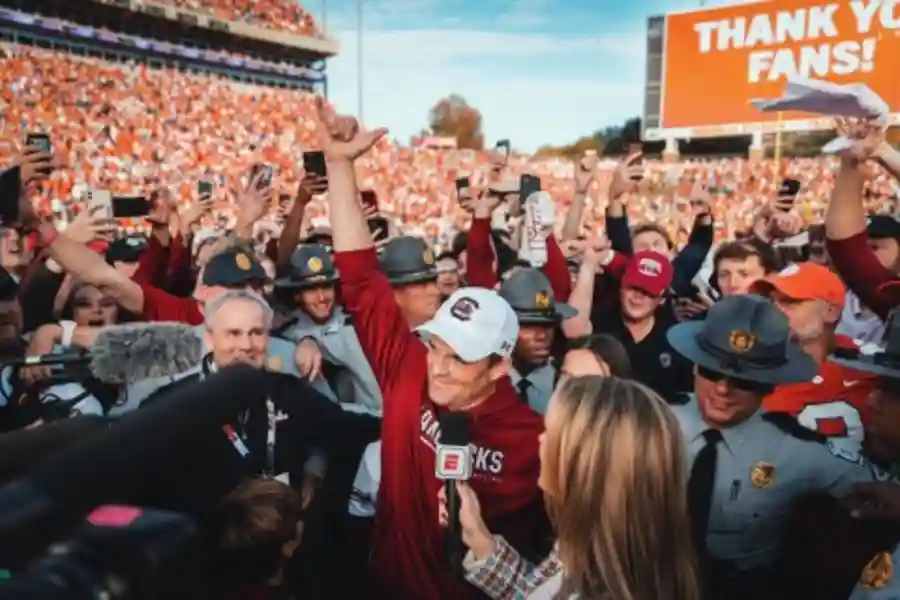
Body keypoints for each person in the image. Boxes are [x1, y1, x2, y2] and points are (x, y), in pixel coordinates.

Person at [321, 103, 548, 600]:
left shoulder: (537, 443)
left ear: (500, 365)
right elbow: (360, 276)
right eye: (436, 347)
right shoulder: (406, 368)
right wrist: (340, 166)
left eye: (460, 357)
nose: (438, 369)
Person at [666, 294, 876, 600]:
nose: (723, 389)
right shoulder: (653, 422)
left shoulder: (800, 449)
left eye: (743, 381)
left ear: (769, 385)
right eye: (712, 372)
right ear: (695, 368)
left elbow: (880, 490)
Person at [441, 376, 701, 600]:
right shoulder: (591, 551)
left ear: (585, 466)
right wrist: (479, 537)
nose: (540, 439)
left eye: (552, 434)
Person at [752, 262, 877, 455]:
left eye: (790, 301)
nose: (773, 311)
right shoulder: (745, 369)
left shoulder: (874, 367)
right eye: (771, 301)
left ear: (830, 311)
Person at [276, 244, 382, 412]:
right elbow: (290, 333)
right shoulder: (292, 330)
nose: (321, 297)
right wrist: (307, 340)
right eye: (311, 290)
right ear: (297, 295)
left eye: (326, 287)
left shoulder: (356, 315)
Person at [498, 268, 577, 414]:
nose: (541, 336)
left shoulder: (569, 387)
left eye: (548, 325)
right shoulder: (484, 386)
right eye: (528, 326)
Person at [378, 235, 441, 328]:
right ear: (396, 294)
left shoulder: (448, 335)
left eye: (434, 282)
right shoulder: (371, 339)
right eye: (423, 285)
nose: (436, 292)